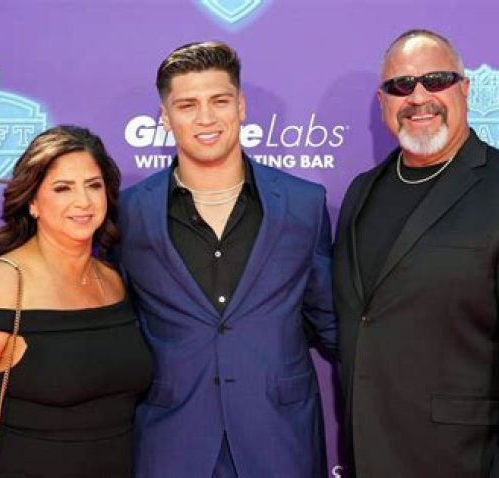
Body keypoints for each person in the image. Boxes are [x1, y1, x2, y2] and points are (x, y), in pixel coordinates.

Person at [333, 29, 499, 478]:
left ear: (465, 89)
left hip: (461, 461)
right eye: (401, 85)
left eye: (436, 80)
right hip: (367, 455)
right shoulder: (362, 192)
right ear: (383, 102)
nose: (418, 97)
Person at [118, 41, 337, 477]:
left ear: (241, 106)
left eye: (219, 100)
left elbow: (329, 320)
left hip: (280, 438)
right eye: (187, 105)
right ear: (165, 117)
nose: (206, 118)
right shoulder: (128, 213)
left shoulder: (304, 204)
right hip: (171, 440)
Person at [0, 125, 152, 477]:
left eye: (93, 185)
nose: (83, 201)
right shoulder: (1, 285)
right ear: (32, 202)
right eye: (62, 188)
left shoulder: (112, 281)